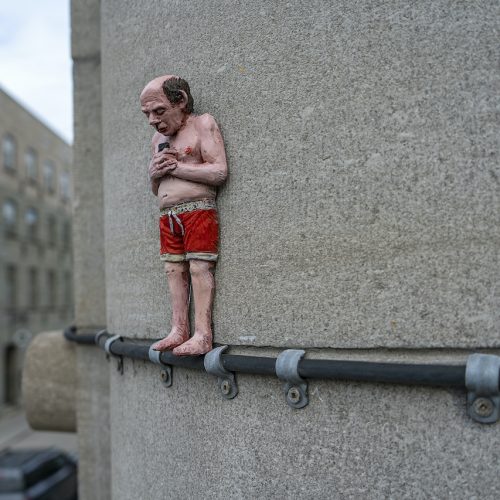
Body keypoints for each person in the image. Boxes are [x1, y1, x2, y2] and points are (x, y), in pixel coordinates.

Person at [140, 75, 227, 356]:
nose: (153, 120)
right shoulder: (158, 139)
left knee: (199, 268)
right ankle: (179, 328)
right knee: (173, 270)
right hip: (168, 215)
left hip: (197, 210)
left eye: (159, 111)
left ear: (180, 101)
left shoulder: (202, 124)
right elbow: (157, 188)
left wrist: (176, 168)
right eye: (147, 114)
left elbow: (218, 171)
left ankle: (202, 333)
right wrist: (154, 174)